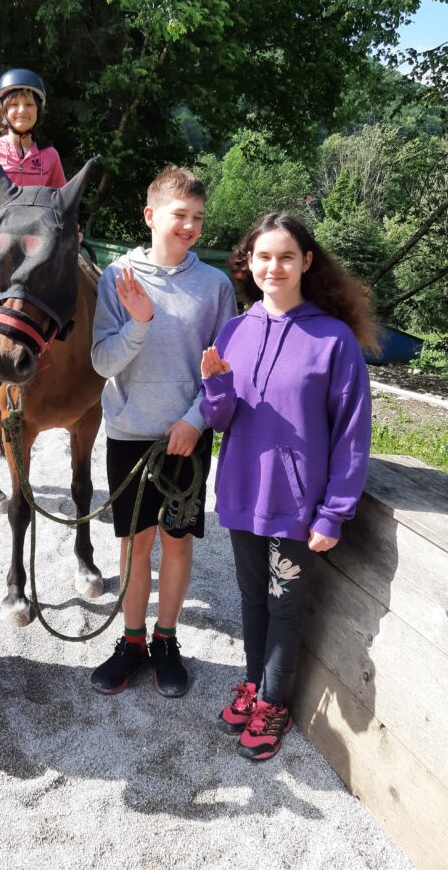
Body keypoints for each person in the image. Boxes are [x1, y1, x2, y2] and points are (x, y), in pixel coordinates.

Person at [200, 212, 376, 760]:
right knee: (252, 597)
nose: (273, 267)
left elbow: (352, 432)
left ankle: (274, 704)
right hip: (241, 495)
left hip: (298, 505)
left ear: (306, 262)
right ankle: (254, 685)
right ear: (248, 263)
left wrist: (334, 512)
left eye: (285, 257)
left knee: (285, 604)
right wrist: (215, 388)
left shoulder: (334, 339)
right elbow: (220, 420)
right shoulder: (235, 330)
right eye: (263, 257)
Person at [90, 166, 237, 698]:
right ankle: (132, 641)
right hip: (129, 433)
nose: (190, 225)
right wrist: (139, 322)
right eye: (180, 214)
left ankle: (166, 639)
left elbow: (226, 369)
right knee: (134, 545)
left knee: (176, 542)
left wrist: (196, 420)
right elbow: (102, 361)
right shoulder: (117, 277)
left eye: (198, 217)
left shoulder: (215, 286)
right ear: (151, 216)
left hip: (186, 438)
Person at [0, 68, 66, 248]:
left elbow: (63, 203)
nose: (22, 110)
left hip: (40, 243)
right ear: (3, 111)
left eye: (29, 104)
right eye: (14, 104)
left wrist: (71, 229)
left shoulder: (50, 155)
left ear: (38, 110)